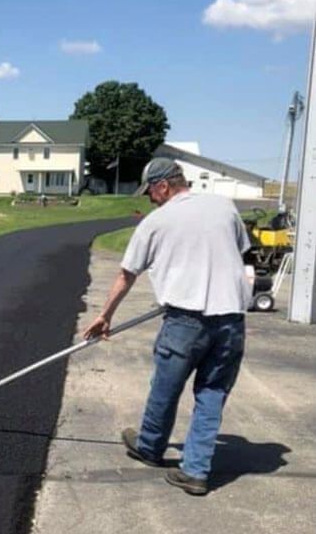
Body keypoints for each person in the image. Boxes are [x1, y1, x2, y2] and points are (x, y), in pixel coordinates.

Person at [83, 157, 252, 495]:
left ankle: (149, 447)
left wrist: (105, 315)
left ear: (163, 185)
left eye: (151, 193)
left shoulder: (156, 222)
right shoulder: (225, 207)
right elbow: (239, 253)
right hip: (231, 319)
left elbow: (127, 273)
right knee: (212, 393)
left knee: (166, 387)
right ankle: (195, 471)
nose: (150, 199)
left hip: (185, 320)